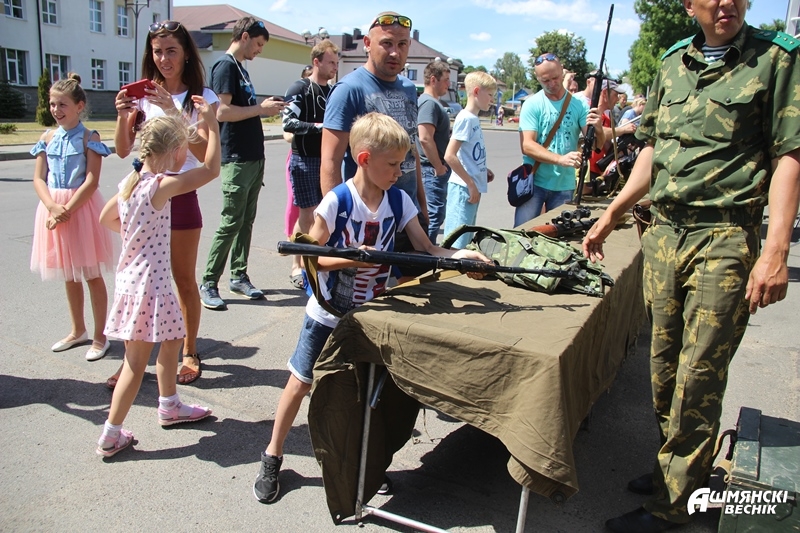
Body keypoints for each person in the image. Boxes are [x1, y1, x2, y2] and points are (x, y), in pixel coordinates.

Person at [582, 1, 800, 530]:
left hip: (724, 235)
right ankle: (678, 470)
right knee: (663, 368)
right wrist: (612, 213)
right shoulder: (672, 61)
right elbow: (653, 150)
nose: (726, 2)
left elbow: (790, 155)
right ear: (688, 5)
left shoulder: (776, 58)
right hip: (664, 234)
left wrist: (776, 250)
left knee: (699, 373)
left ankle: (674, 505)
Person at [252, 113, 491, 503]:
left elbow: (428, 249)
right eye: (393, 164)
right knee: (300, 383)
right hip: (327, 314)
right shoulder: (338, 201)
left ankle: (364, 465)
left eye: (402, 164)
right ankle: (273, 455)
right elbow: (312, 258)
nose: (400, 172)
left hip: (371, 316)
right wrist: (352, 258)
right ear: (364, 159)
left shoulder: (398, 200)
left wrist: (462, 256)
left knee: (366, 394)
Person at [96, 103, 220, 458]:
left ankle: (170, 405)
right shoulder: (159, 186)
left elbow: (106, 218)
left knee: (173, 338)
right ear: (176, 151)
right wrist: (211, 125)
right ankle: (111, 434)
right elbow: (211, 169)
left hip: (133, 280)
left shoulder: (131, 181)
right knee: (135, 363)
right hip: (150, 283)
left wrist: (135, 234)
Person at [112, 19, 219, 386]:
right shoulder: (143, 94)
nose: (164, 59)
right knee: (140, 281)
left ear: (186, 53)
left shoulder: (201, 96)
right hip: (145, 194)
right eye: (157, 52)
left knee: (183, 279)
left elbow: (204, 154)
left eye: (171, 50)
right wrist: (123, 116)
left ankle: (189, 350)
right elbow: (123, 149)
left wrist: (173, 110)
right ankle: (132, 360)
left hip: (180, 192)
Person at [199, 17, 287, 310]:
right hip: (236, 158)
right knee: (230, 222)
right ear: (245, 36)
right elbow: (222, 112)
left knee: (245, 222)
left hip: (252, 157)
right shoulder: (225, 66)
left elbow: (242, 108)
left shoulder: (240, 67)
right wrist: (260, 109)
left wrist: (262, 107)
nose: (259, 50)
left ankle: (238, 276)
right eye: (258, 44)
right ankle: (209, 281)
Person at [30, 73, 115, 362]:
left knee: (91, 273)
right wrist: (52, 207)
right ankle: (78, 329)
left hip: (80, 209)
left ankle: (101, 335)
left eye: (62, 104)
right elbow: (39, 178)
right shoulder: (47, 138)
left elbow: (91, 180)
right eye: (52, 104)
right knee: (68, 272)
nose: (56, 109)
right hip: (54, 207)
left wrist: (66, 209)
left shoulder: (90, 137)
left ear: (79, 106)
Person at [320, 11, 427, 225]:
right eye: (387, 43)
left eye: (402, 44)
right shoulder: (349, 89)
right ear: (367, 43)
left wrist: (422, 205)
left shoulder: (408, 88)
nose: (395, 52)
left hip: (409, 216)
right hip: (367, 221)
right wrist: (339, 223)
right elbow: (330, 161)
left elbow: (411, 152)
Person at [514, 53, 604, 226]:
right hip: (534, 182)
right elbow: (527, 145)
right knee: (521, 232)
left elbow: (596, 145)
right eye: (545, 80)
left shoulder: (579, 105)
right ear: (538, 78)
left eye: (555, 78)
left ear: (562, 72)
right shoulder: (532, 104)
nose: (552, 84)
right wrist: (560, 159)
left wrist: (599, 129)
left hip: (564, 185)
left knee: (559, 236)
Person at [282, 41, 339, 288]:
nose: (335, 67)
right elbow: (288, 123)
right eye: (331, 62)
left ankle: (316, 261)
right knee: (307, 213)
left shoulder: (334, 91)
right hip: (304, 159)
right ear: (316, 62)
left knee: (326, 211)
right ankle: (301, 265)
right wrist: (321, 128)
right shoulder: (300, 88)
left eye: (337, 63)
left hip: (328, 160)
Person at [442, 71, 496, 248]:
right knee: (456, 242)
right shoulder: (466, 118)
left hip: (471, 187)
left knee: (465, 240)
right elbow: (450, 155)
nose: (492, 100)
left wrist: (482, 170)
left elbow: (468, 154)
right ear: (477, 91)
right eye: (490, 95)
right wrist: (470, 183)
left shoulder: (473, 119)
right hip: (463, 188)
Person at [417, 60, 452, 243]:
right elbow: (424, 137)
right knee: (433, 215)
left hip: (432, 169)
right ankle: (426, 253)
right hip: (430, 170)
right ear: (433, 79)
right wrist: (438, 166)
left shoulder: (432, 103)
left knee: (435, 215)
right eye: (445, 80)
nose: (448, 84)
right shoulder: (429, 103)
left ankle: (426, 251)